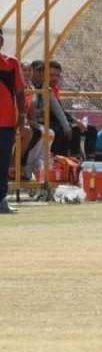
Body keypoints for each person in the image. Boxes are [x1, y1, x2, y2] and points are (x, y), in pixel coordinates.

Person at [0, 28, 28, 214]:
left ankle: (1, 200)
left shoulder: (11, 63)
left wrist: (22, 115)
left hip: (6, 122)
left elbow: (19, 90)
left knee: (3, 162)